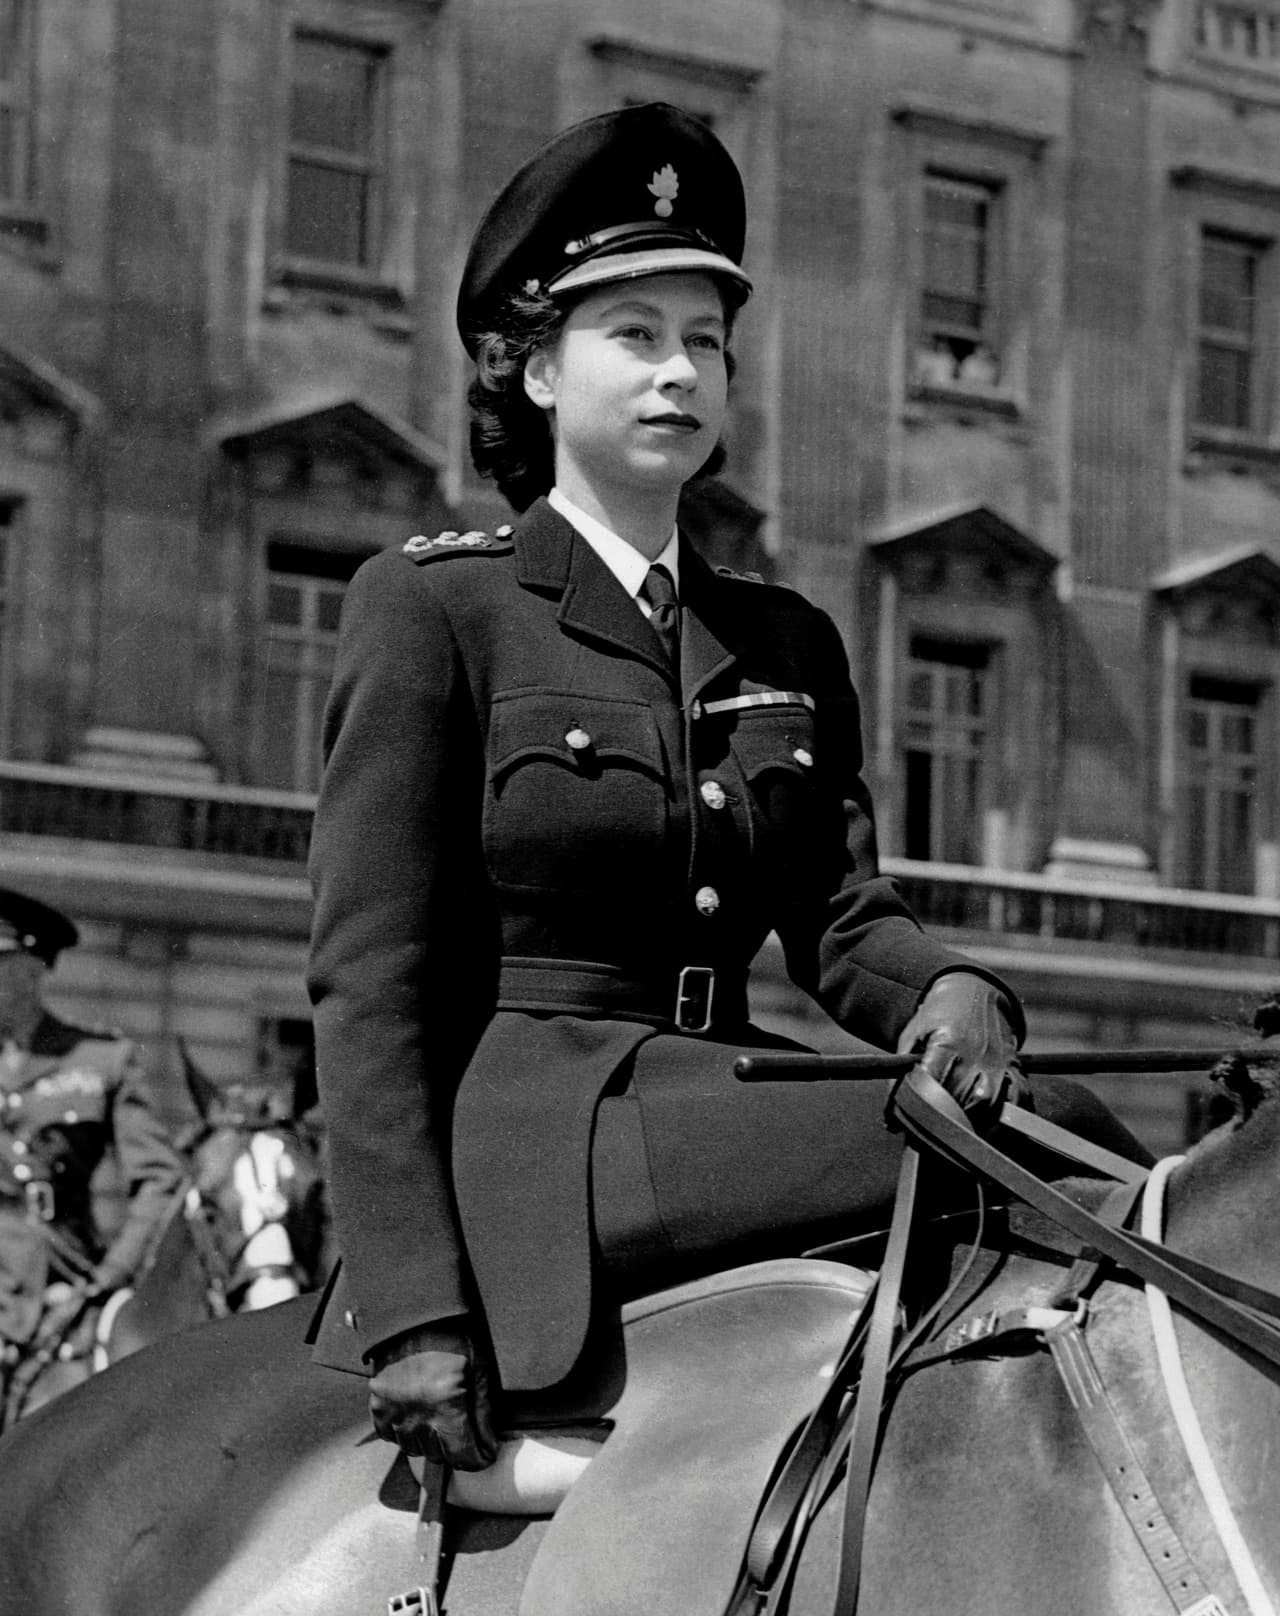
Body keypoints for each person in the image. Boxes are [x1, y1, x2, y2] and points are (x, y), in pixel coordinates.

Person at [306, 102, 1151, 1472]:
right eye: (634, 336)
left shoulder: (785, 640)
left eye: (706, 343)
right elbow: (369, 979)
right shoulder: (435, 607)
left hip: (724, 1100)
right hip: (549, 1140)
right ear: (533, 373)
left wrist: (946, 988)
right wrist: (411, 1310)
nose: (678, 373)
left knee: (1051, 1144)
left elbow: (837, 916)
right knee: (1065, 1148)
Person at [0, 887, 185, 1364]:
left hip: (62, 1284)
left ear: (35, 967)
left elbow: (161, 1180)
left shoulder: (101, 1059)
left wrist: (115, 1272)